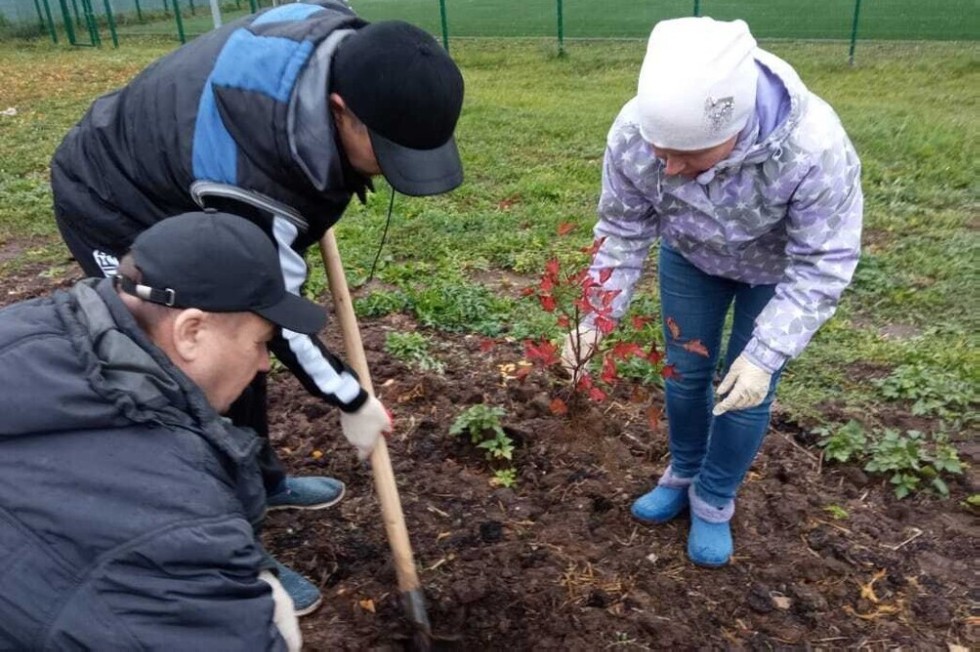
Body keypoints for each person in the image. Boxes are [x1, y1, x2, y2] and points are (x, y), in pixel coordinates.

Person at [49, 0, 464, 608]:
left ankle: (262, 478)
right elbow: (272, 314)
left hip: (189, 171)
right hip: (117, 200)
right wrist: (349, 397)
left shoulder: (342, 37)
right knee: (185, 374)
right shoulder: (252, 179)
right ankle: (234, 553)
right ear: (341, 111)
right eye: (390, 150)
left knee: (240, 356)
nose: (398, 168)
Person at [563, 17, 862, 567]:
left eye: (690, 156)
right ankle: (683, 471)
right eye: (662, 153)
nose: (671, 168)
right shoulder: (633, 135)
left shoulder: (812, 147)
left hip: (775, 275)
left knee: (744, 387)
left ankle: (714, 497)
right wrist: (593, 318)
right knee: (686, 372)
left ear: (738, 128)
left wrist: (765, 355)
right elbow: (624, 231)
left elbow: (824, 263)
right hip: (692, 257)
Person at [0, 212, 343, 650]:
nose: (262, 364)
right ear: (191, 332)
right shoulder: (176, 528)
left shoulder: (25, 333)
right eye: (259, 342)